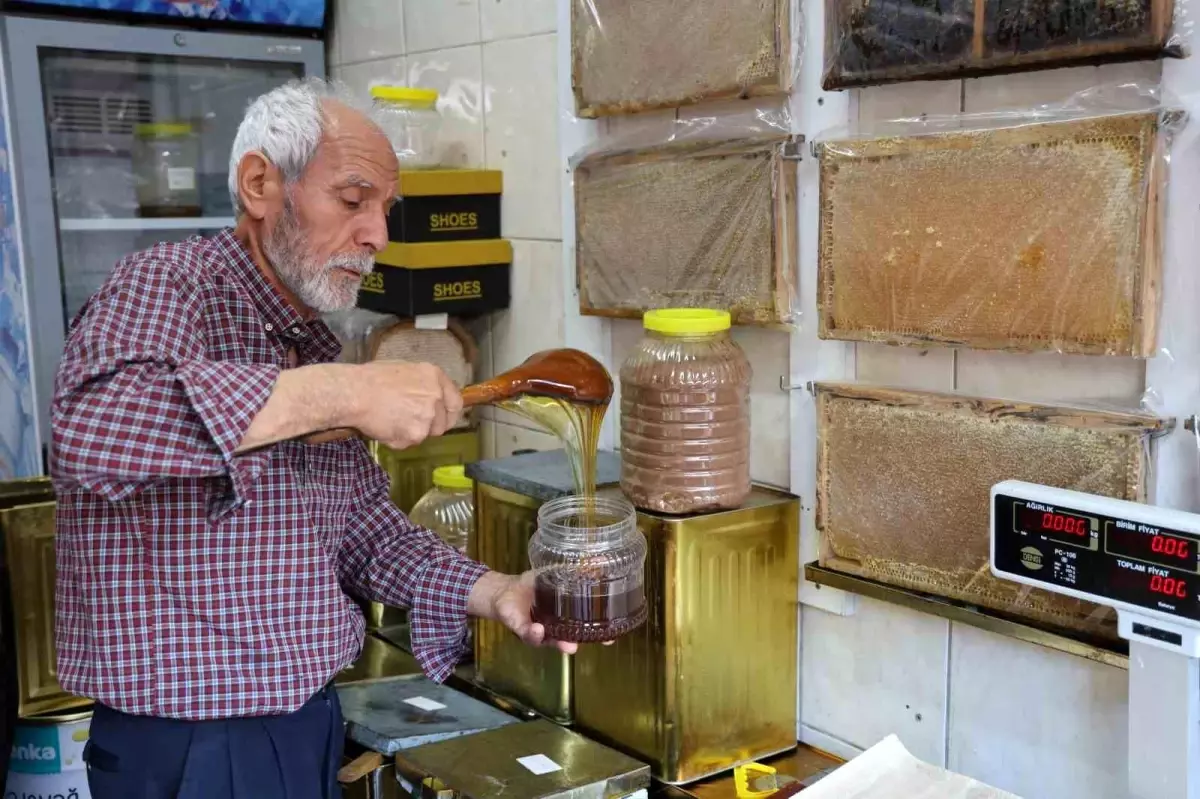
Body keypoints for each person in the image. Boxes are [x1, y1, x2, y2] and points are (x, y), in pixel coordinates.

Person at [50, 77, 573, 799]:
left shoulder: (306, 343)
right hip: (190, 743)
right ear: (261, 183)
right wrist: (350, 390)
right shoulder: (168, 286)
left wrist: (499, 590)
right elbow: (92, 427)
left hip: (304, 720)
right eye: (353, 201)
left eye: (386, 210)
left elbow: (366, 535)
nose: (378, 235)